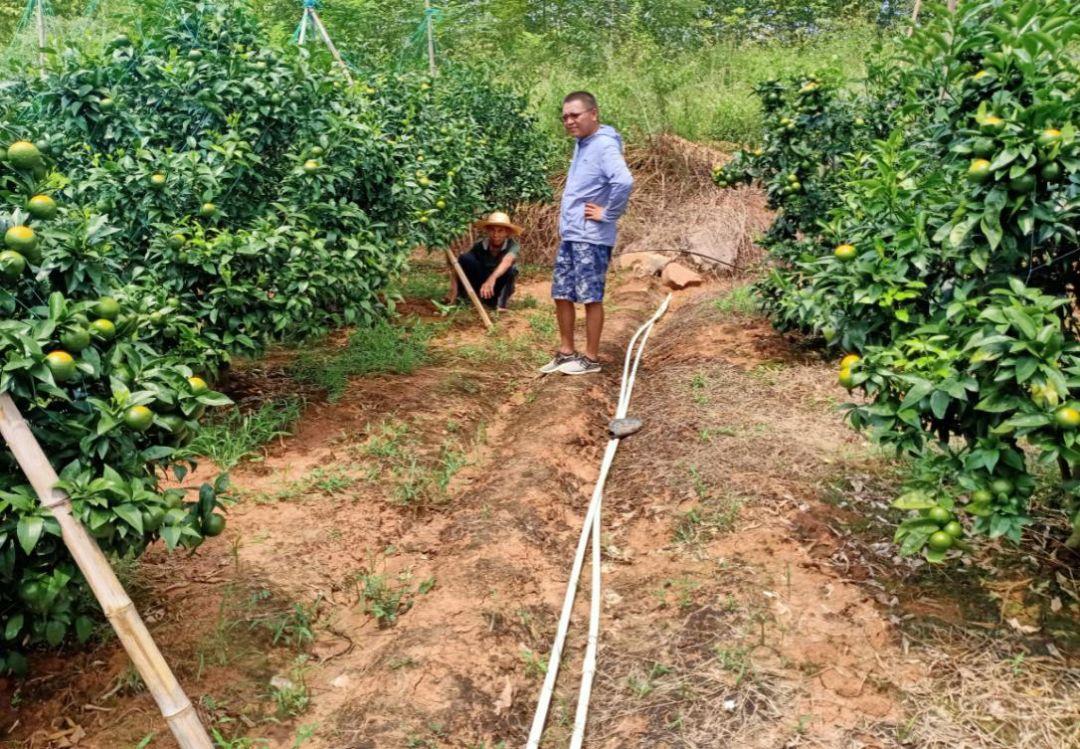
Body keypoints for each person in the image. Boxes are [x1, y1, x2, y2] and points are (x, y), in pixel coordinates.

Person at [540, 91, 634, 376]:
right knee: (562, 293)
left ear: (594, 113)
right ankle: (566, 351)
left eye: (575, 115)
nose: (569, 121)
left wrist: (608, 213)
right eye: (565, 117)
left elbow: (624, 181)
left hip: (591, 237)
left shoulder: (603, 146)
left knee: (591, 297)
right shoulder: (583, 143)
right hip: (573, 234)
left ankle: (591, 358)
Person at [449, 211, 522, 312]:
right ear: (487, 231)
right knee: (464, 258)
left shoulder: (513, 245)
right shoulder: (480, 245)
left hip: (497, 285)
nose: (496, 234)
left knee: (511, 269)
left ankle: (500, 304)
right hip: (481, 284)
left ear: (507, 232)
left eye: (500, 231)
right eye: (492, 230)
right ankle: (463, 298)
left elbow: (507, 261)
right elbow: (460, 265)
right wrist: (453, 291)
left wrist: (491, 279)